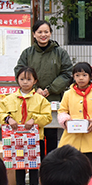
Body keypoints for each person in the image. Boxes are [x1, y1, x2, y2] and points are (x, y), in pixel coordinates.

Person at [15, 19, 72, 153]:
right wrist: (35, 89)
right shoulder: (27, 53)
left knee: (51, 133)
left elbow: (67, 73)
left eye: (46, 32)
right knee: (34, 132)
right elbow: (19, 72)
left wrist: (50, 89)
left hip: (53, 98)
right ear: (34, 34)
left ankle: (51, 162)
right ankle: (36, 162)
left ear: (50, 33)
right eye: (39, 32)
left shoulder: (60, 53)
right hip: (31, 99)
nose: (43, 35)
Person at [0, 66, 52, 185]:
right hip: (16, 138)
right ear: (17, 80)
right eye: (22, 79)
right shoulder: (8, 99)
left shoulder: (41, 100)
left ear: (35, 81)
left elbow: (48, 117)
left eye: (28, 79)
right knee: (18, 163)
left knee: (33, 163)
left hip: (35, 138)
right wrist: (8, 119)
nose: (25, 82)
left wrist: (35, 119)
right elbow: (0, 114)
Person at [58, 61, 92, 171]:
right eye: (77, 75)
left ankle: (91, 182)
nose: (81, 78)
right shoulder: (68, 94)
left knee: (91, 165)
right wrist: (66, 121)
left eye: (84, 75)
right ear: (73, 77)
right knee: (73, 166)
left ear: (91, 76)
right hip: (73, 135)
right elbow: (62, 111)